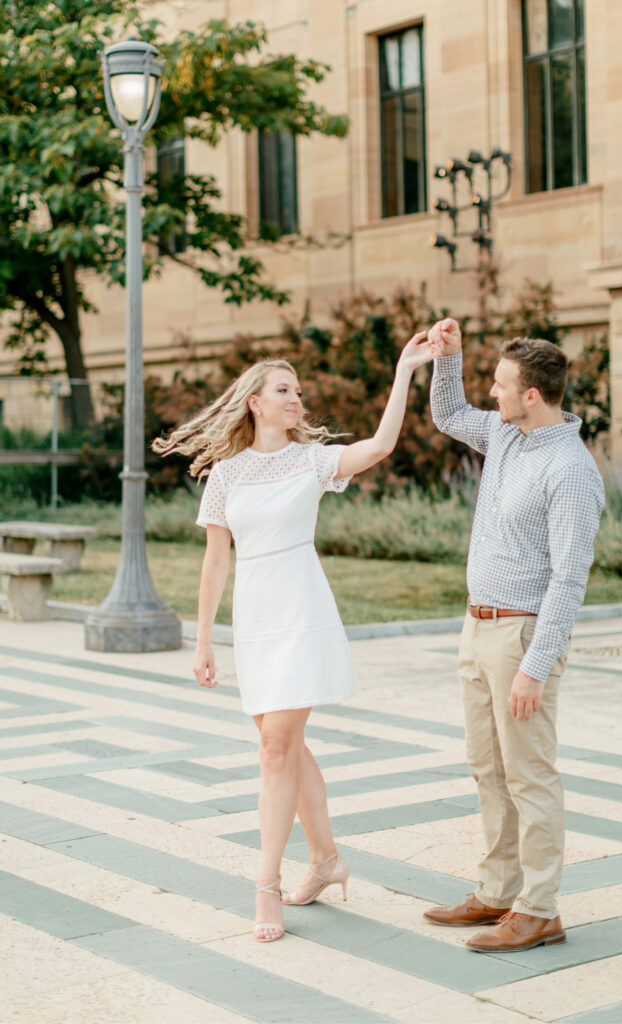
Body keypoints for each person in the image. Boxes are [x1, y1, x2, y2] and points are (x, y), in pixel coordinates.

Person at [153, 334, 434, 943]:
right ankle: (327, 859)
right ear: (254, 402)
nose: (295, 399)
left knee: (276, 749)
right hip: (256, 620)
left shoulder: (312, 462)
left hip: (303, 610)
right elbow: (215, 563)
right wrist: (202, 640)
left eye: (298, 392)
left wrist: (404, 369)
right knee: (287, 745)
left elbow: (382, 445)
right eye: (283, 390)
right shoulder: (226, 475)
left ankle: (265, 885)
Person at [423, 319, 604, 953]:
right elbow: (448, 413)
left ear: (533, 394)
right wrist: (450, 357)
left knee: (529, 774)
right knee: (488, 769)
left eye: (501, 385)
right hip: (477, 628)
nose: (492, 395)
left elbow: (569, 577)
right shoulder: (504, 433)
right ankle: (498, 891)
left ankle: (539, 908)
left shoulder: (572, 471)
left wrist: (537, 664)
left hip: (522, 637)